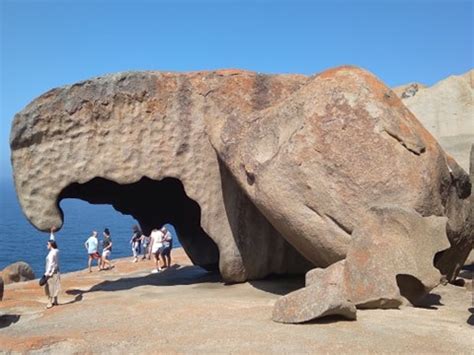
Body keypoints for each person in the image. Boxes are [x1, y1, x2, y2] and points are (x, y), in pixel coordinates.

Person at [44, 240, 60, 309]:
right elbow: (52, 240)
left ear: (51, 245)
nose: (46, 245)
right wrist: (52, 233)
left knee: (49, 287)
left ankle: (49, 302)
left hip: (51, 272)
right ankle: (56, 301)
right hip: (57, 271)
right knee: (55, 285)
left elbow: (50, 264)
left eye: (47, 244)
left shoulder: (51, 254)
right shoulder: (56, 251)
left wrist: (46, 274)